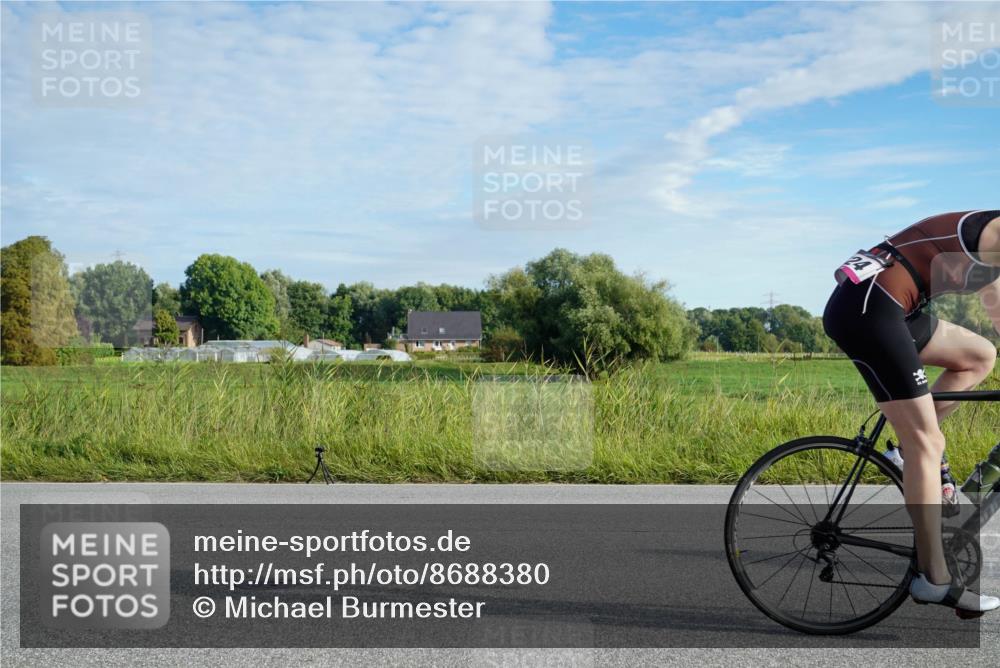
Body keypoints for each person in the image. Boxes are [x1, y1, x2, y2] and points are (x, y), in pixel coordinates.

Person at [823, 210, 1000, 613]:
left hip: (895, 307)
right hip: (870, 310)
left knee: (978, 356)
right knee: (928, 442)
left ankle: (908, 452)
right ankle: (933, 579)